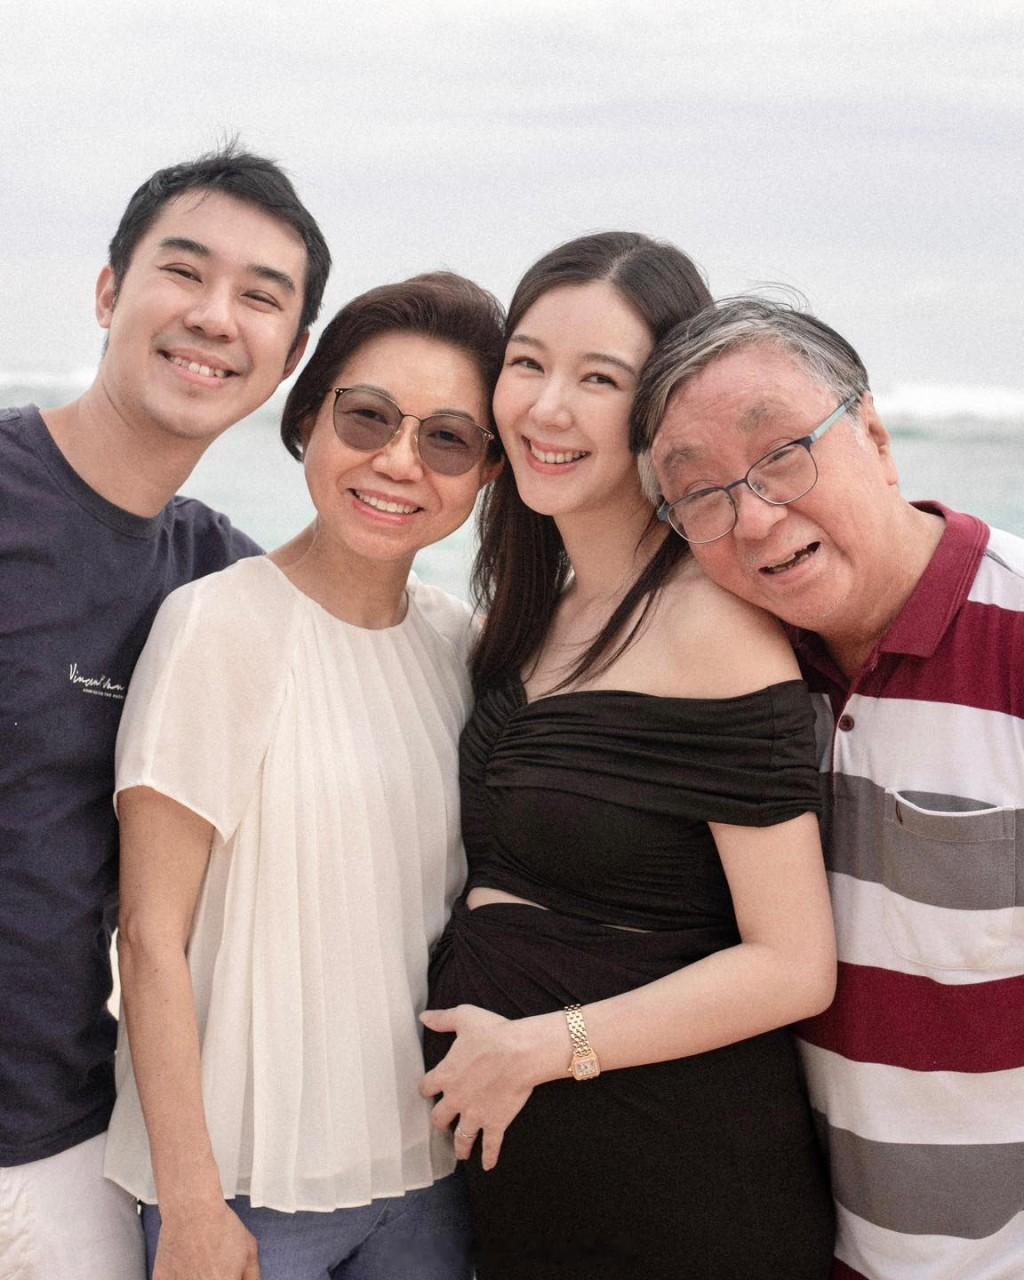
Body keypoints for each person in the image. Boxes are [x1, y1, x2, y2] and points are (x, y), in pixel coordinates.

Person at [420, 234, 837, 1279]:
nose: (547, 407)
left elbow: (793, 964)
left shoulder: (713, 626)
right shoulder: (525, 618)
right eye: (527, 363)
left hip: (684, 1184)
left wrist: (541, 1045)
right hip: (535, 1201)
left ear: (658, 409)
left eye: (598, 378)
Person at [103, 272, 505, 1280]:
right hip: (243, 1192)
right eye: (367, 416)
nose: (398, 461)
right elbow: (149, 937)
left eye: (446, 439)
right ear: (308, 417)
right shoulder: (214, 625)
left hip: (430, 1178)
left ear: (486, 472)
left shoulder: (462, 645)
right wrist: (192, 1203)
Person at [635, 297, 1024, 1280]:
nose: (754, 516)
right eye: (701, 493)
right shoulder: (736, 674)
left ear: (876, 438)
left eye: (781, 454)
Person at [0, 145, 329, 1280]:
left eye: (260, 298)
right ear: (108, 292)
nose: (213, 317)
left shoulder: (217, 581)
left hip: (64, 1135)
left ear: (289, 358)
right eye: (183, 272)